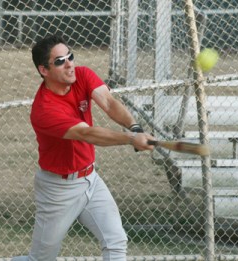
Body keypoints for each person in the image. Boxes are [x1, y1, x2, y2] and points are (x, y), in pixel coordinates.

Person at [11, 34, 155, 261]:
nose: (69, 64)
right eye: (60, 61)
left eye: (70, 56)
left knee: (116, 242)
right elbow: (87, 134)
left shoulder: (82, 75)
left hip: (91, 179)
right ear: (44, 70)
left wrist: (135, 127)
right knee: (41, 259)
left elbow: (108, 102)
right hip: (58, 189)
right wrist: (129, 139)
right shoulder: (45, 110)